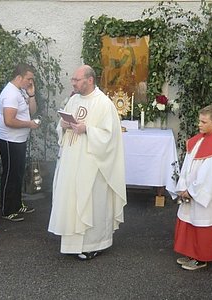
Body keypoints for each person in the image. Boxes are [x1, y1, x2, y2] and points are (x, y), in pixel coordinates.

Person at [48, 65, 127, 260]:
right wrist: (64, 125)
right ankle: (72, 244)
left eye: (76, 80)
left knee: (91, 201)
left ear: (89, 80)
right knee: (72, 199)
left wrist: (88, 130)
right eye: (73, 80)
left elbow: (110, 136)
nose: (73, 83)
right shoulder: (73, 100)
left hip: (92, 163)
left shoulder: (104, 104)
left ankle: (94, 244)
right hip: (70, 160)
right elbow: (62, 127)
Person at [173, 105, 212, 270]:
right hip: (191, 191)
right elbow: (188, 165)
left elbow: (211, 177)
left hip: (206, 197)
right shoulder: (199, 140)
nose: (199, 124)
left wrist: (192, 191)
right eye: (199, 120)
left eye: (203, 121)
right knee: (191, 221)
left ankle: (201, 258)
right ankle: (192, 254)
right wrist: (184, 185)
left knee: (203, 225)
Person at [0, 63, 40, 222]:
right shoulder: (10, 94)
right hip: (9, 139)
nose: (30, 82)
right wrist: (29, 124)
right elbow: (9, 121)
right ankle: (7, 209)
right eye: (29, 79)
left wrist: (32, 95)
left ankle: (16, 203)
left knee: (18, 173)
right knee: (10, 174)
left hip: (19, 139)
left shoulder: (20, 91)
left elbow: (31, 111)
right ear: (19, 77)